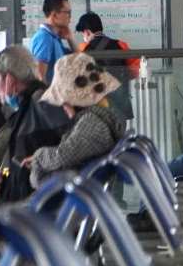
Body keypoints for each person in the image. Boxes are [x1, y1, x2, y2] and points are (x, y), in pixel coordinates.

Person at [0, 44, 72, 207]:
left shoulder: (42, 103)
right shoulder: (23, 110)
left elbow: (66, 151)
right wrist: (1, 177)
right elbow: (15, 163)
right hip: (24, 205)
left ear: (9, 79)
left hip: (40, 208)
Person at [24, 53, 129, 188]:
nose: (63, 107)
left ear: (75, 101)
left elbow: (61, 157)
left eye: (64, 102)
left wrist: (38, 158)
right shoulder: (101, 117)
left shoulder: (92, 123)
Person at [75, 11, 139, 122]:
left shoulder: (82, 48)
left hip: (94, 105)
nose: (83, 37)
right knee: (119, 130)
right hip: (119, 103)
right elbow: (136, 69)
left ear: (87, 32)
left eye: (82, 34)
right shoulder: (120, 44)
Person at [30, 0, 74, 83]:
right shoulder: (44, 38)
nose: (70, 16)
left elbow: (81, 60)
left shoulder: (55, 37)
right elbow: (40, 77)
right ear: (54, 15)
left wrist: (70, 38)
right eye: (67, 12)